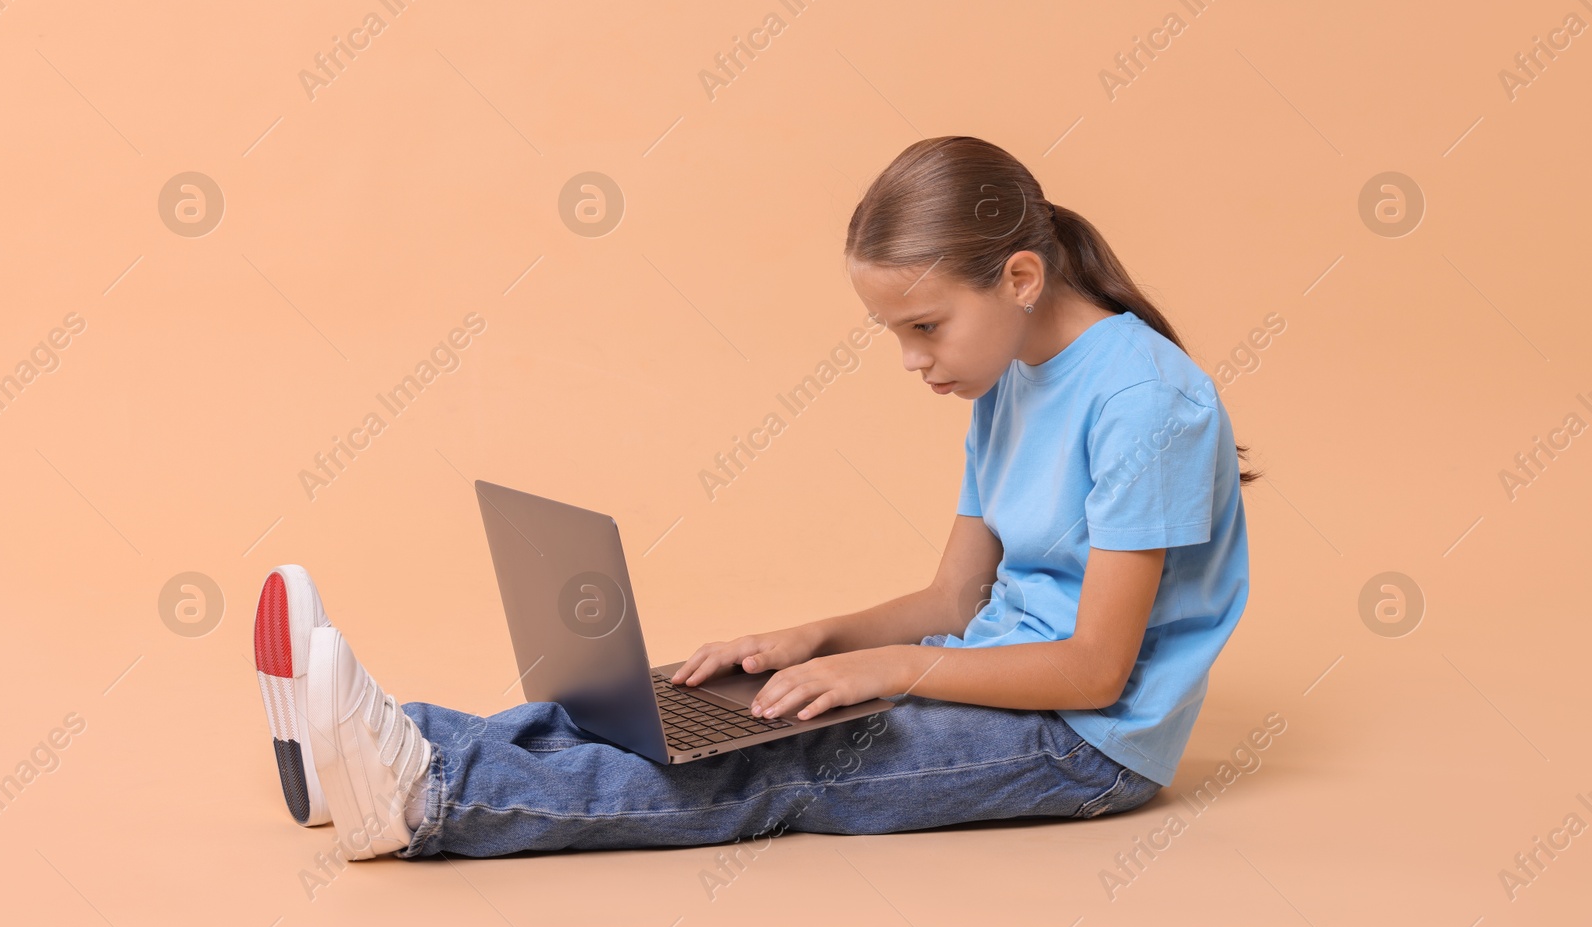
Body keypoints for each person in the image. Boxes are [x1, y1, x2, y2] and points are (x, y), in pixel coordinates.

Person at [252, 135, 1256, 860]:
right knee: (696, 708)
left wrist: (891, 671)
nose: (911, 359)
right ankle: (406, 745)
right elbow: (955, 600)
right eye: (891, 332)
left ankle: (432, 793)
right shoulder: (1011, 372)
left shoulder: (1146, 403)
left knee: (777, 763)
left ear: (1022, 275)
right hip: (984, 674)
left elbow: (1091, 670)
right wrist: (809, 640)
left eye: (925, 326)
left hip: (1085, 747)